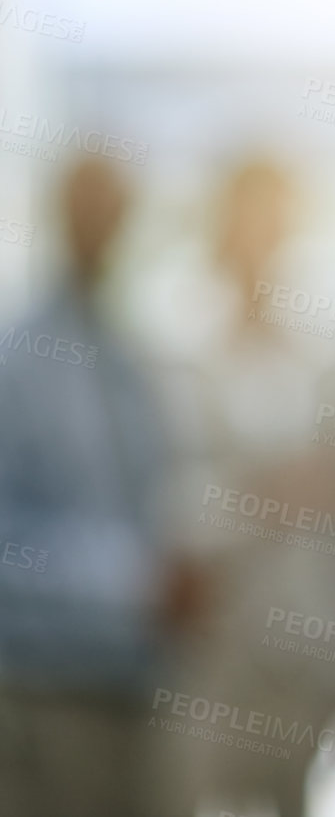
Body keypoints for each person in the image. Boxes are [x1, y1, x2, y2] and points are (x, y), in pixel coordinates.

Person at [155, 158, 335, 817]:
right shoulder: (177, 351)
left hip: (303, 653)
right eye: (246, 225)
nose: (261, 244)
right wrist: (269, 495)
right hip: (208, 654)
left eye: (274, 226)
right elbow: (168, 511)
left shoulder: (327, 362)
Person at [0, 157, 183, 817]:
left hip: (133, 685)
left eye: (119, 212)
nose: (107, 228)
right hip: (47, 691)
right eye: (92, 208)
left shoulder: (127, 356)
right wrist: (129, 579)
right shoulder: (19, 358)